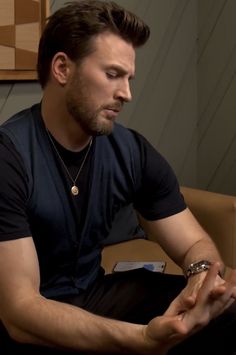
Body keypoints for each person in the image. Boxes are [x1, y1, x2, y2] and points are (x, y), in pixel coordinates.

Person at [0, 1, 236, 354]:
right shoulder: (9, 156)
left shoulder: (131, 150)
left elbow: (192, 244)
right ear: (63, 68)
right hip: (29, 322)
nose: (127, 93)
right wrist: (141, 339)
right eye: (113, 74)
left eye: (128, 78)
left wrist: (201, 277)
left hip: (95, 296)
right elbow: (20, 311)